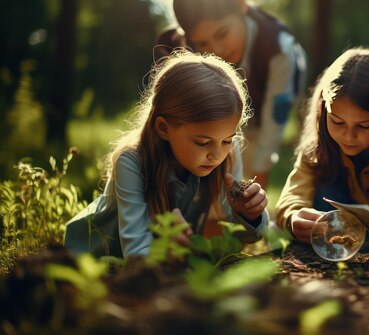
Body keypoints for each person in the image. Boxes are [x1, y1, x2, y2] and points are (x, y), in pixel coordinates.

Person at [65, 51, 270, 258]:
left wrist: (248, 215)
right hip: (90, 260)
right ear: (164, 128)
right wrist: (171, 252)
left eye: (227, 140)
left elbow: (243, 238)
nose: (217, 154)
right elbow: (135, 253)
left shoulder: (227, 153)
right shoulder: (132, 162)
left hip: (155, 272)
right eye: (203, 142)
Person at [155, 0, 307, 188]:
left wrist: (256, 192)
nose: (217, 50)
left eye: (222, 34)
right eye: (202, 43)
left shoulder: (279, 48)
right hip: (218, 113)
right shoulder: (174, 47)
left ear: (241, 4)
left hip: (268, 110)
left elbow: (272, 126)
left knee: (250, 156)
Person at [275, 48, 369, 244]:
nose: (349, 136)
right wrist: (293, 218)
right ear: (324, 111)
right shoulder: (317, 149)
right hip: (332, 238)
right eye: (338, 122)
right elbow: (294, 195)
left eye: (364, 126)